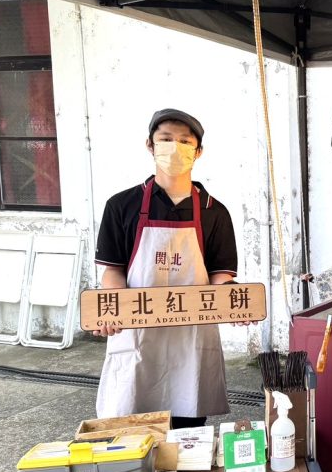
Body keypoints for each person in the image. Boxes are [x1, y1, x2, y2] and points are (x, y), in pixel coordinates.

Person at [93, 109, 238, 428]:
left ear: (198, 152)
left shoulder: (214, 212)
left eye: (185, 141)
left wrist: (234, 302)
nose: (175, 148)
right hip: (138, 336)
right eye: (166, 139)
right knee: (133, 431)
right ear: (150, 145)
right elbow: (113, 271)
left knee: (188, 436)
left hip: (191, 339)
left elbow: (220, 275)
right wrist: (112, 309)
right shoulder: (121, 206)